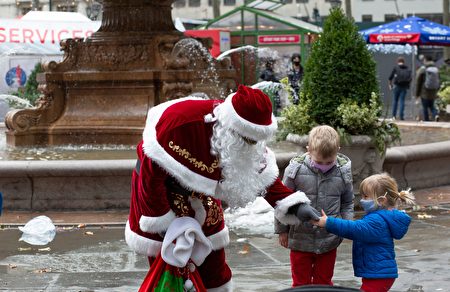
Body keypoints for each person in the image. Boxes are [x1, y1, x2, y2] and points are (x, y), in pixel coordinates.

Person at [125, 85, 320, 291]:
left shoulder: (249, 140)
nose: (251, 145)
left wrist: (293, 205)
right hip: (162, 195)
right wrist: (162, 221)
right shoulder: (181, 125)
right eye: (247, 139)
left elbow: (259, 174)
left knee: (215, 269)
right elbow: (150, 174)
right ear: (233, 127)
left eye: (255, 140)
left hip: (202, 198)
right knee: (170, 263)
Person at [275, 125, 354, 287]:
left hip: (329, 239)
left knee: (323, 282)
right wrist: (282, 230)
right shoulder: (295, 170)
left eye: (329, 162)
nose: (324, 165)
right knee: (300, 283)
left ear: (337, 150)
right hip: (300, 238)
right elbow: (282, 202)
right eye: (319, 161)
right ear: (308, 150)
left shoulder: (343, 172)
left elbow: (347, 202)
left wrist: (346, 226)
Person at [313, 172, 415, 292]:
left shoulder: (377, 220)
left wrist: (328, 222)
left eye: (366, 197)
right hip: (378, 272)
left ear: (381, 200)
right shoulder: (382, 216)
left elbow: (355, 229)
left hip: (379, 274)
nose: (362, 200)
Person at [415, 55, 440, 121]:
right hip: (433, 91)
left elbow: (418, 82)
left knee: (425, 107)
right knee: (432, 106)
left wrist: (417, 94)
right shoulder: (436, 69)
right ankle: (436, 115)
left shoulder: (423, 68)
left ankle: (427, 120)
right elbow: (438, 80)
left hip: (424, 91)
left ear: (425, 60)